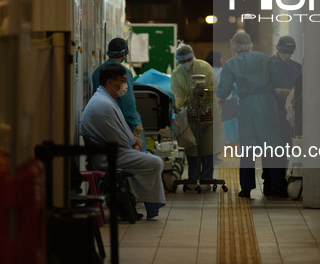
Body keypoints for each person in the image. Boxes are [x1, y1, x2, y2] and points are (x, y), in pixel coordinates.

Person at [81, 63, 166, 219]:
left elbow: (121, 134)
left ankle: (125, 203)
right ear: (110, 82)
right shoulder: (103, 105)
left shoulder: (106, 99)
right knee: (155, 162)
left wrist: (133, 140)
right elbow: (118, 138)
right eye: (121, 81)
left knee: (151, 158)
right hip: (107, 157)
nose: (125, 85)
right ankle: (141, 203)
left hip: (114, 151)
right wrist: (134, 142)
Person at [217, 32, 285, 198]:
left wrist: (220, 103)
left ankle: (246, 188)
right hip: (268, 104)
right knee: (271, 146)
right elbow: (277, 80)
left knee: (247, 149)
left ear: (235, 46)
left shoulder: (232, 63)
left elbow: (223, 91)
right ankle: (276, 183)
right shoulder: (265, 58)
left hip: (247, 106)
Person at [171, 44, 224, 186]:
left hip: (209, 111)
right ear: (178, 61)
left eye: (188, 60)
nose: (186, 64)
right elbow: (178, 93)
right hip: (191, 113)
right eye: (183, 61)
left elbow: (213, 87)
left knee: (208, 146)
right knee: (192, 146)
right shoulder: (177, 74)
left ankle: (207, 178)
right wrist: (178, 104)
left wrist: (202, 95)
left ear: (193, 56)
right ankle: (193, 178)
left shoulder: (204, 67)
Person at [92, 38, 146, 151]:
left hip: (101, 121)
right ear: (124, 53)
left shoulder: (97, 72)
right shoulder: (123, 72)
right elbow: (128, 103)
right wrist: (136, 123)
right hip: (122, 122)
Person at [266, 36, 303, 196]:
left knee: (286, 148)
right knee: (273, 149)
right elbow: (264, 87)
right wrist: (278, 92)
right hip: (273, 112)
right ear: (278, 49)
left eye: (290, 51)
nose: (287, 54)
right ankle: (272, 182)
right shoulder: (268, 65)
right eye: (285, 51)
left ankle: (280, 180)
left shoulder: (296, 67)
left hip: (290, 115)